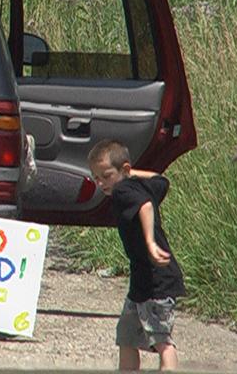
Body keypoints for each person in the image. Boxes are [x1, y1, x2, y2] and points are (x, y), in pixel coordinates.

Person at [89, 139, 185, 371]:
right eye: (96, 177)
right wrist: (128, 173)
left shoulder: (123, 191)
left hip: (156, 282)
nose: (101, 183)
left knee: (161, 339)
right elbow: (162, 180)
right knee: (127, 336)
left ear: (122, 170)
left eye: (106, 175)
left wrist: (150, 242)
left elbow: (146, 207)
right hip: (142, 282)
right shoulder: (136, 184)